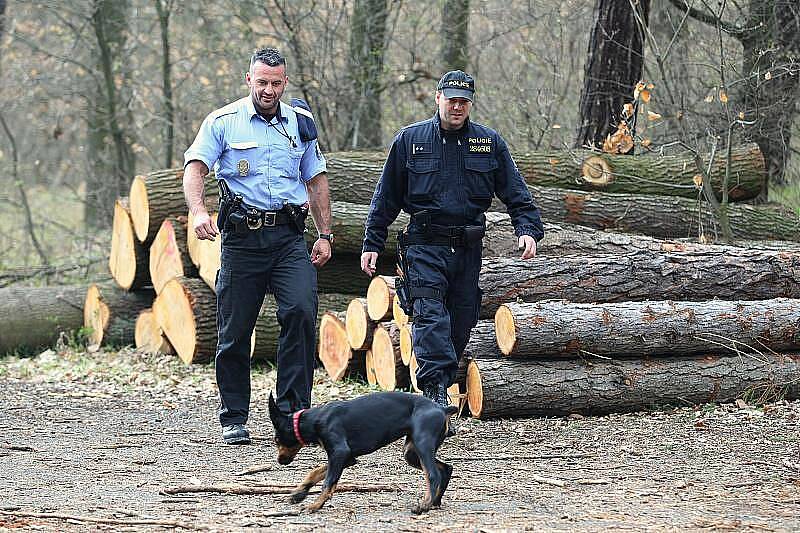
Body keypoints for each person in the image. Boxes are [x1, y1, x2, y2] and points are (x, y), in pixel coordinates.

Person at [360, 70, 543, 407]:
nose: (457, 107)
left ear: (470, 104)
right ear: (438, 99)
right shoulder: (409, 141)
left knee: (461, 320)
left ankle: (440, 382)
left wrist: (527, 229)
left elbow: (516, 191)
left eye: (464, 102)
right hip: (424, 244)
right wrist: (372, 242)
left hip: (467, 248)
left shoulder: (488, 143)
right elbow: (385, 197)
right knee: (430, 314)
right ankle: (434, 391)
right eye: (451, 100)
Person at [183, 47, 333, 444]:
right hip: (242, 239)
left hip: (288, 237)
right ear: (248, 79)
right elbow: (195, 167)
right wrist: (198, 212)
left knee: (301, 312)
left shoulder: (300, 122)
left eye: (276, 83)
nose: (268, 90)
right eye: (262, 82)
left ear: (285, 82)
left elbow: (316, 180)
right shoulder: (222, 122)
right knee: (235, 330)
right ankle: (234, 416)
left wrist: (324, 233)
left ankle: (293, 413)